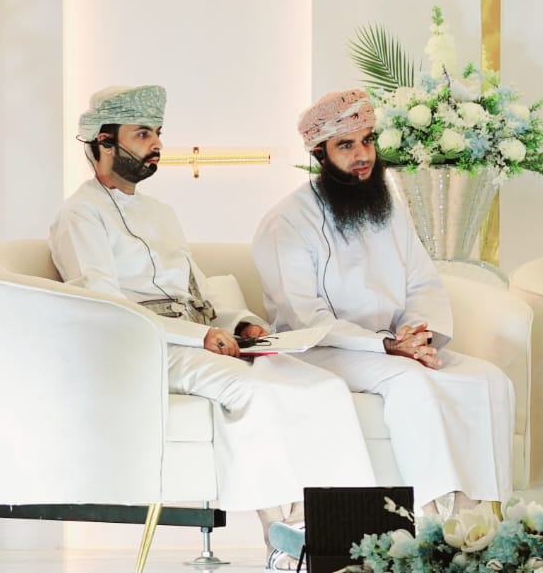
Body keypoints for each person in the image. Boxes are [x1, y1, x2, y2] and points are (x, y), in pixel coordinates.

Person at [49, 85, 376, 571]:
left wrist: (241, 325)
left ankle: (353, 534)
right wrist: (196, 337)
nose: (156, 145)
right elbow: (106, 307)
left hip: (197, 338)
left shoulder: (161, 213)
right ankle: (282, 537)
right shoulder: (79, 215)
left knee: (321, 384)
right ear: (104, 141)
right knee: (254, 390)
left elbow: (196, 290)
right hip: (145, 347)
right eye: (142, 134)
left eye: (158, 133)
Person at [251, 89, 514, 516]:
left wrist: (417, 333)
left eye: (367, 140)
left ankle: (484, 514)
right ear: (319, 154)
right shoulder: (288, 220)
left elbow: (421, 280)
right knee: (410, 381)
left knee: (489, 378)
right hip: (320, 349)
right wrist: (386, 346)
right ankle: (432, 515)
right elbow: (305, 316)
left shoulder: (387, 203)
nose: (362, 155)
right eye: (346, 145)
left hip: (394, 343)